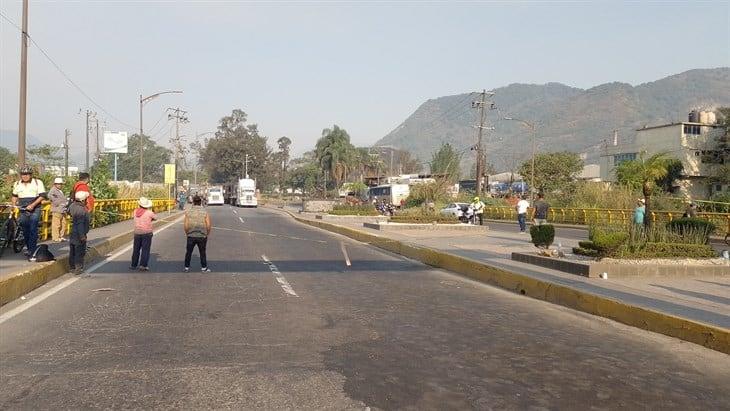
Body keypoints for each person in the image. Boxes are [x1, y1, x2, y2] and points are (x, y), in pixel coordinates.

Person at [11, 165, 47, 259]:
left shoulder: (37, 182)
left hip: (35, 207)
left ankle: (32, 249)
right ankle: (28, 247)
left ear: (31, 175)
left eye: (27, 174)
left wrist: (33, 205)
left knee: (33, 228)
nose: (25, 176)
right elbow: (14, 195)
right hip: (22, 207)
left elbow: (42, 195)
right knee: (25, 228)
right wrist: (13, 204)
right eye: (23, 174)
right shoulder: (17, 184)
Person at [183, 195, 212, 272]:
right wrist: (207, 233)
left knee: (188, 252)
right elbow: (208, 225)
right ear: (200, 202)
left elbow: (186, 225)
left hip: (191, 235)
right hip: (202, 236)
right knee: (202, 252)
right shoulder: (205, 212)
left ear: (193, 203)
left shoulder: (188, 212)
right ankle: (204, 268)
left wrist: (187, 233)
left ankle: (186, 267)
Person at [130, 197, 157, 271]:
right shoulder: (149, 213)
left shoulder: (135, 211)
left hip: (137, 233)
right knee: (145, 250)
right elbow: (155, 217)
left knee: (136, 249)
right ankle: (143, 265)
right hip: (146, 233)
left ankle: (133, 265)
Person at [68, 191, 90, 274]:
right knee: (79, 252)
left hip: (73, 232)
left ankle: (72, 267)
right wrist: (82, 236)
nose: (87, 200)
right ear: (82, 200)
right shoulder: (81, 210)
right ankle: (78, 268)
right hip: (79, 233)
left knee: (72, 251)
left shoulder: (72, 205)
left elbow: (68, 211)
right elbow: (80, 224)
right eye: (86, 199)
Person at [48, 177, 67, 242]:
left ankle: (61, 236)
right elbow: (50, 196)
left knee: (63, 223)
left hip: (62, 209)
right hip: (57, 210)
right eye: (58, 184)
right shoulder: (53, 190)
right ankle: (56, 237)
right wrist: (58, 203)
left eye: (61, 184)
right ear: (55, 184)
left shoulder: (59, 190)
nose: (60, 185)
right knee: (56, 224)